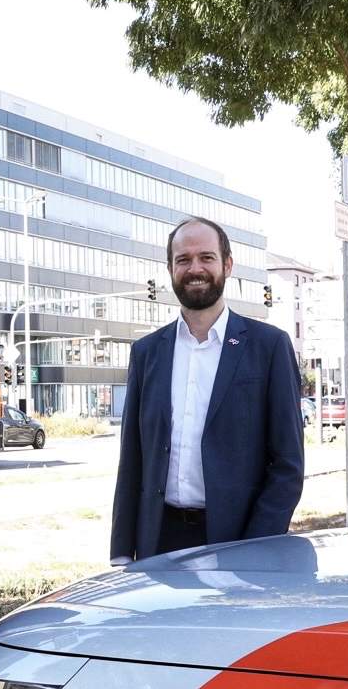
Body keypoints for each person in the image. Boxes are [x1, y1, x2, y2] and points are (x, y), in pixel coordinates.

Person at [110, 216, 304, 563]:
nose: (195, 268)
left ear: (227, 265)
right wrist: (123, 551)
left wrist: (256, 548)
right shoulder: (146, 352)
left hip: (238, 541)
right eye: (183, 259)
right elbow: (132, 460)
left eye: (206, 257)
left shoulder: (269, 347)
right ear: (170, 269)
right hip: (159, 542)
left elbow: (288, 465)